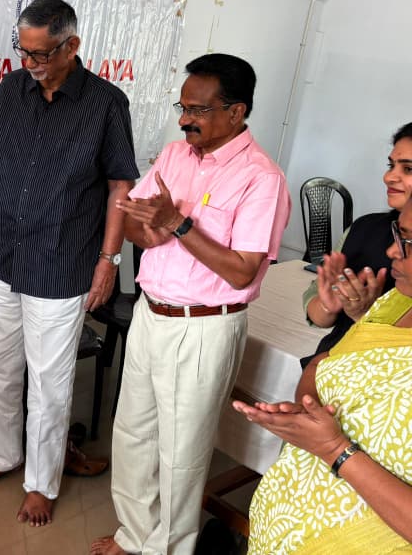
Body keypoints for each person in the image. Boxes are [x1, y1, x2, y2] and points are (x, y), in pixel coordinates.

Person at [92, 53, 291, 555]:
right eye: (182, 107)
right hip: (150, 312)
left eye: (198, 110)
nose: (185, 120)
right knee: (133, 433)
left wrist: (177, 224)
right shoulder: (174, 155)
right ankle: (134, 534)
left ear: (236, 111)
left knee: (181, 452)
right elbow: (134, 219)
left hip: (203, 327)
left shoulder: (261, 178)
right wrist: (151, 230)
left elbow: (242, 269)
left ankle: (169, 548)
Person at [0, 0, 139, 527]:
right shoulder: (11, 88)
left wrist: (109, 260)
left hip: (62, 262)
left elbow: (120, 186)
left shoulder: (106, 104)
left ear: (71, 45)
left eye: (40, 54)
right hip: (5, 252)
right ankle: (1, 455)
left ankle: (41, 482)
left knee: (49, 381)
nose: (30, 63)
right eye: (23, 51)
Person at [235, 196, 412, 554]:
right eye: (399, 233)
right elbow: (322, 363)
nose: (393, 251)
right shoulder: (395, 304)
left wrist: (334, 450)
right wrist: (307, 411)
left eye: (408, 240)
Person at [297, 122, 412, 365]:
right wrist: (328, 305)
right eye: (391, 166)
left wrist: (366, 316)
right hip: (332, 367)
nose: (389, 177)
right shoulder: (364, 229)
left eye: (408, 169)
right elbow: (318, 308)